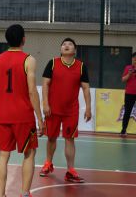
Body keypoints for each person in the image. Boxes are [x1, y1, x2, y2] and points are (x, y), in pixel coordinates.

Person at [0, 24, 44, 197]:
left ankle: (1, 195)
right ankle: (25, 193)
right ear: (23, 39)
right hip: (23, 116)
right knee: (29, 153)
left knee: (3, 155)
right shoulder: (29, 60)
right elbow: (32, 91)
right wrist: (40, 118)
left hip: (3, 115)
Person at [40, 37, 91, 183]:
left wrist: (88, 107)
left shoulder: (81, 66)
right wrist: (45, 104)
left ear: (75, 50)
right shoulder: (52, 63)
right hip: (53, 109)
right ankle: (48, 163)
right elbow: (45, 84)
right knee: (51, 137)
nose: (66, 46)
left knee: (70, 139)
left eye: (70, 44)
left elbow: (86, 88)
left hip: (71, 111)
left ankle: (70, 170)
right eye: (64, 44)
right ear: (61, 49)